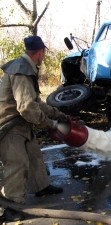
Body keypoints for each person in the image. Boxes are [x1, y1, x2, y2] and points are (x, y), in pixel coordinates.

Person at [0, 35, 68, 222]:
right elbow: (27, 108)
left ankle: (41, 187)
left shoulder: (26, 67)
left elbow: (36, 102)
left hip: (20, 122)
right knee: (17, 163)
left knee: (34, 155)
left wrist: (58, 114)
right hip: (8, 125)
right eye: (43, 53)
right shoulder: (22, 71)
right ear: (40, 52)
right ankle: (11, 207)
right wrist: (50, 124)